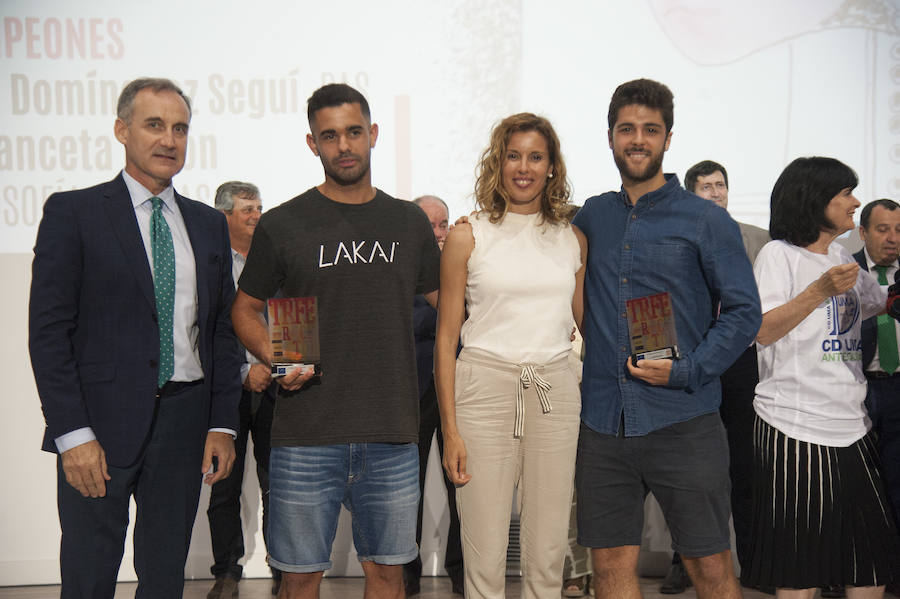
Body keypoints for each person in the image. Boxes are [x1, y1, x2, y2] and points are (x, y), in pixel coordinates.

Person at [28, 77, 241, 598]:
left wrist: (222, 423)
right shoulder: (73, 213)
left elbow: (220, 329)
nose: (169, 140)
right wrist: (71, 434)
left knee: (165, 575)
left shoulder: (210, 224)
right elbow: (49, 333)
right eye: (154, 125)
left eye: (180, 128)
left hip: (186, 421)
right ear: (122, 130)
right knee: (89, 574)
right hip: (96, 429)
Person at [231, 83, 441, 599]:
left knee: (388, 575)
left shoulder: (408, 221)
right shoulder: (281, 224)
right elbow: (244, 310)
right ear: (312, 144)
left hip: (392, 434)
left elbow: (450, 308)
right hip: (305, 433)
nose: (343, 145)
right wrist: (277, 354)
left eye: (353, 132)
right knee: (300, 578)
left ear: (373, 134)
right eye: (330, 136)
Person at [572, 79, 761, 599]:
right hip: (604, 423)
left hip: (685, 420)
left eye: (650, 130)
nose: (638, 140)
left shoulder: (705, 220)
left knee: (710, 569)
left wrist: (691, 369)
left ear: (668, 139)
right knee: (609, 569)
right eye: (627, 129)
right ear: (610, 137)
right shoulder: (592, 216)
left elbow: (745, 312)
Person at [437, 112, 588, 599]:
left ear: (551, 167)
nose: (524, 167)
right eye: (513, 155)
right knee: (483, 556)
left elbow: (585, 324)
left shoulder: (572, 238)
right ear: (498, 163)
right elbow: (445, 340)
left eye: (535, 157)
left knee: (547, 557)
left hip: (555, 390)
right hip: (483, 390)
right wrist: (451, 429)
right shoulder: (467, 235)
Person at [741, 157, 900, 598]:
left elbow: (878, 302)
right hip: (794, 424)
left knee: (869, 561)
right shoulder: (779, 255)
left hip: (852, 423)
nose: (856, 202)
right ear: (816, 200)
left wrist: (891, 299)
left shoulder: (837, 256)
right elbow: (763, 328)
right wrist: (819, 291)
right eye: (846, 193)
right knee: (799, 566)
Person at [651, 160, 770, 594]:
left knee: (744, 467)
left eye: (721, 185)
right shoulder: (673, 236)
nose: (715, 192)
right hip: (689, 360)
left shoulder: (759, 241)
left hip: (741, 364)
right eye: (706, 186)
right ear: (690, 193)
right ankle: (684, 561)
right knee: (690, 470)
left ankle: (756, 563)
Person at [207, 181, 280, 598]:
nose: (257, 216)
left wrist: (281, 369)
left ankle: (283, 567)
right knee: (224, 486)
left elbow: (291, 317)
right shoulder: (212, 265)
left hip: (276, 390)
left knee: (279, 484)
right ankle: (226, 571)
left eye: (259, 207)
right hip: (226, 395)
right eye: (248, 209)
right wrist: (241, 372)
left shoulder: (274, 262)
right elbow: (207, 334)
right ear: (224, 215)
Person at [404, 195, 464, 597]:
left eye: (443, 225)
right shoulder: (396, 268)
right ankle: (405, 577)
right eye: (430, 226)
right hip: (410, 393)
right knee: (407, 491)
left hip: (459, 392)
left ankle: (463, 574)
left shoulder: (465, 267)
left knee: (463, 486)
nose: (438, 234)